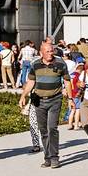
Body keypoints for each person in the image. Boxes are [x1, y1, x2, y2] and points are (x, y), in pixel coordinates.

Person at [21, 35, 68, 166]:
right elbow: (31, 81)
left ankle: (54, 157)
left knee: (52, 128)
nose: (50, 53)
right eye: (47, 51)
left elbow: (67, 81)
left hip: (55, 99)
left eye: (52, 50)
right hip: (39, 101)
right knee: (43, 130)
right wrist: (23, 95)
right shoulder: (35, 64)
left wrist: (70, 97)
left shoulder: (60, 63)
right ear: (41, 52)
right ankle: (47, 157)